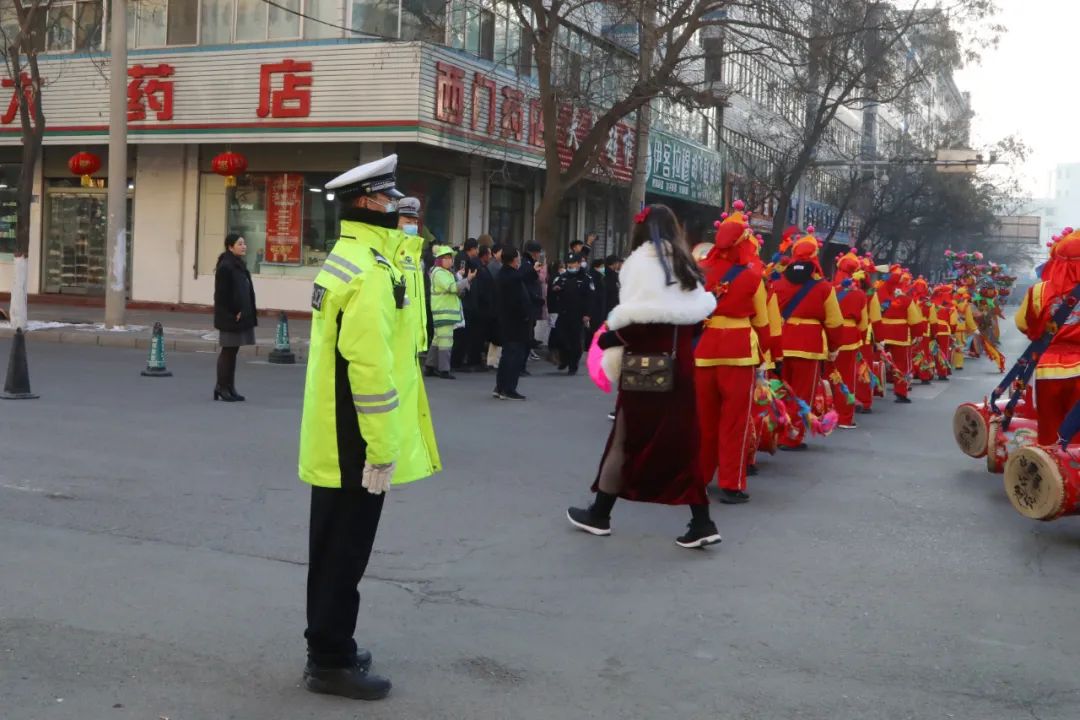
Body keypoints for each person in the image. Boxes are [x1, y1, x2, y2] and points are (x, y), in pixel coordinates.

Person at [298, 153, 440, 701]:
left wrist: (408, 240)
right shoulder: (369, 274)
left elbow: (414, 324)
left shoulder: (359, 258)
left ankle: (329, 641)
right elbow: (372, 370)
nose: (399, 208)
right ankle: (329, 659)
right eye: (389, 200)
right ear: (366, 203)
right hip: (356, 437)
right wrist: (381, 450)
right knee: (344, 549)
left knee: (334, 544)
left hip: (341, 430)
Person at [566, 203, 721, 549]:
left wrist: (607, 338)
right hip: (682, 368)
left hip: (646, 371)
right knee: (684, 445)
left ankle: (600, 514)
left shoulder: (641, 264)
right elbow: (695, 320)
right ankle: (702, 521)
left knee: (624, 439)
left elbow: (638, 325)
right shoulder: (685, 265)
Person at [695, 200, 771, 504]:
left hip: (703, 350)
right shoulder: (754, 277)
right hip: (739, 352)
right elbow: (762, 323)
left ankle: (698, 477)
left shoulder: (699, 272)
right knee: (734, 422)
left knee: (703, 420)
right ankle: (731, 482)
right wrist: (765, 358)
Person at [771, 230, 843, 449]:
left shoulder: (777, 284)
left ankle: (776, 433)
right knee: (802, 393)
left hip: (781, 344)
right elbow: (834, 322)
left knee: (780, 390)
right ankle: (792, 437)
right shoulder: (823, 287)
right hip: (809, 346)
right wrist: (833, 347)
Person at [1016, 230, 1080, 445]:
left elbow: (1022, 324)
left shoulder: (1038, 291)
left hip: (1048, 369)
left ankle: (1052, 475)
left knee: (1050, 431)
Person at [213, 233, 257, 402]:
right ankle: (221, 387)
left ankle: (229, 387)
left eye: (244, 243)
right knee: (228, 351)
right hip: (230, 317)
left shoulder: (238, 264)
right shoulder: (226, 266)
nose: (244, 246)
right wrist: (234, 311)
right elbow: (222, 295)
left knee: (233, 351)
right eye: (240, 244)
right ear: (230, 247)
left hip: (240, 315)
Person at [829, 250, 869, 430]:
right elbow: (863, 323)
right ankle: (844, 417)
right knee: (846, 378)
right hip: (850, 336)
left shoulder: (830, 289)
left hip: (830, 335)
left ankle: (827, 413)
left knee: (828, 375)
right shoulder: (859, 294)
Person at [874, 265, 924, 404]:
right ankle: (901, 392)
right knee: (901, 364)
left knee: (876, 361)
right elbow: (914, 320)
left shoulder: (877, 295)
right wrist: (917, 334)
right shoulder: (906, 299)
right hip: (900, 335)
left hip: (880, 332)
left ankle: (873, 389)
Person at [426, 245, 473, 379]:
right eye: (446, 258)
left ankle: (429, 367)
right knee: (446, 341)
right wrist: (467, 280)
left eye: (450, 258)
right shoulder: (439, 273)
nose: (450, 261)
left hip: (444, 312)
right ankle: (444, 370)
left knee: (438, 340)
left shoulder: (443, 272)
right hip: (443, 312)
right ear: (439, 260)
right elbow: (452, 288)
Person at [549, 253, 594, 375]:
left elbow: (590, 298)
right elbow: (553, 287)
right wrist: (555, 289)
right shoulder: (562, 277)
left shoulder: (586, 278)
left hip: (578, 314)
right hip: (563, 312)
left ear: (579, 263)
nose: (570, 265)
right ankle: (564, 359)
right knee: (560, 337)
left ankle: (572, 365)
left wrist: (587, 314)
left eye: (573, 263)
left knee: (575, 341)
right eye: (569, 263)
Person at [494, 247, 530, 400]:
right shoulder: (513, 277)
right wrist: (525, 314)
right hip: (516, 322)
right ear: (514, 259)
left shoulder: (502, 274)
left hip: (505, 320)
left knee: (507, 354)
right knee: (514, 355)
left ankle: (500, 386)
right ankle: (509, 388)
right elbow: (518, 301)